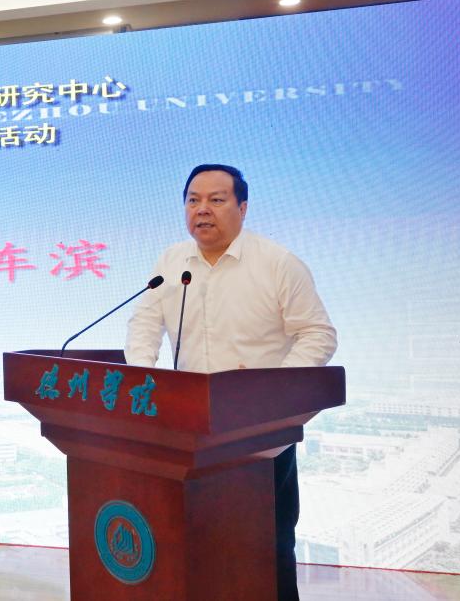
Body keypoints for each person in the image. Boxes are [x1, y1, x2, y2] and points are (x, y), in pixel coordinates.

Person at [124, 163, 337, 601]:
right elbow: (144, 323)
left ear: (242, 208)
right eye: (193, 200)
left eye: (216, 200)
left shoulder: (277, 264)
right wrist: (145, 378)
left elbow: (318, 334)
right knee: (195, 542)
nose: (202, 210)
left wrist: (272, 395)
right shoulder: (171, 262)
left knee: (266, 546)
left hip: (260, 434)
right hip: (188, 431)